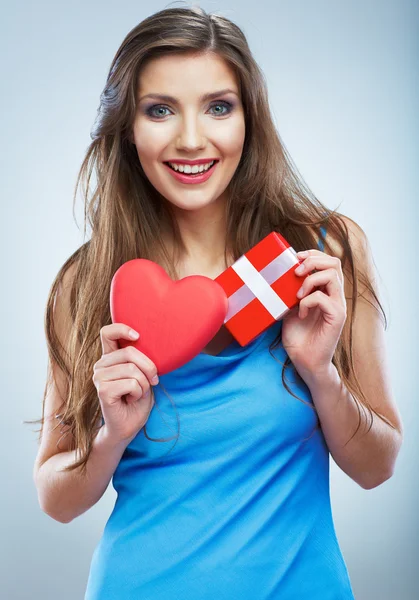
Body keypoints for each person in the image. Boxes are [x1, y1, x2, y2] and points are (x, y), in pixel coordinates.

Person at [31, 6, 403, 599]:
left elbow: (377, 466)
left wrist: (321, 374)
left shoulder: (323, 252)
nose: (191, 139)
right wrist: (112, 435)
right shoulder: (88, 282)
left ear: (250, 120)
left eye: (218, 107)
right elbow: (55, 496)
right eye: (160, 110)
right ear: (129, 126)